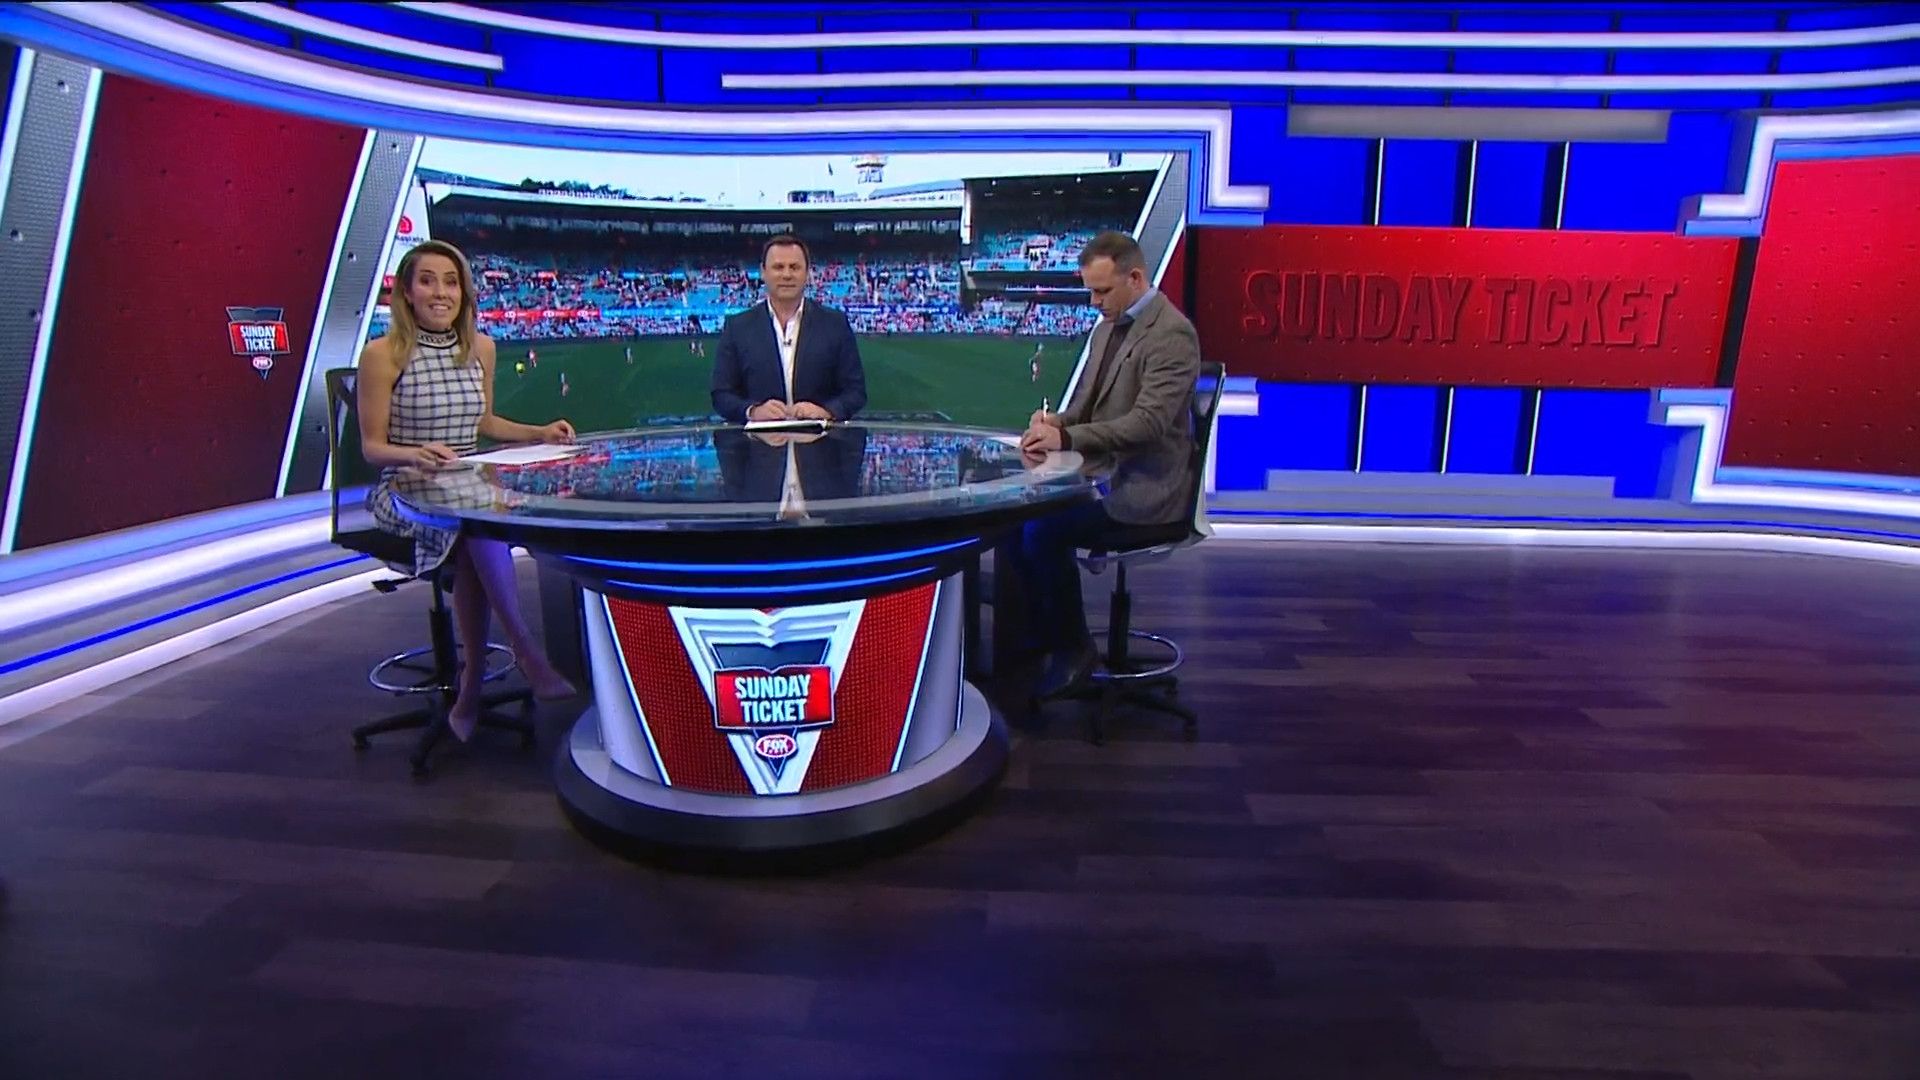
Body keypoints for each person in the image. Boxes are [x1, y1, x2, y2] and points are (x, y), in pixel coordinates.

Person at [359, 239, 579, 742]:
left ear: (464, 292)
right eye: (427, 281)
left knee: (477, 525)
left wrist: (539, 432)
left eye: (451, 282)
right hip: (407, 489)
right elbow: (372, 448)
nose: (441, 292)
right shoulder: (383, 355)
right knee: (478, 528)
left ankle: (471, 689)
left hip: (467, 483)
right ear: (407, 292)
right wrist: (413, 453)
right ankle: (526, 653)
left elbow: (484, 422)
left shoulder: (481, 347)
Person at [1010, 230, 1202, 699]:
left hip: (1145, 491)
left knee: (1041, 532)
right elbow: (1086, 408)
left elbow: (1147, 424)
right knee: (1013, 521)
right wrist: (1054, 422)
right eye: (1091, 291)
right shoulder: (1106, 329)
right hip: (1101, 476)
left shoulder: (1172, 334)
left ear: (1135, 278)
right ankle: (1032, 645)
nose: (1094, 302)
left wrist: (1067, 437)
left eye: (1102, 291)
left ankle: (1074, 651)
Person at [710, 234, 867, 424]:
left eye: (794, 267)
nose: (786, 275)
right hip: (758, 441)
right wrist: (753, 411)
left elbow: (855, 392)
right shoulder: (737, 327)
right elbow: (721, 394)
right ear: (763, 272)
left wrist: (826, 411)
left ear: (807, 273)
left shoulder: (835, 324)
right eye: (778, 267)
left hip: (821, 440)